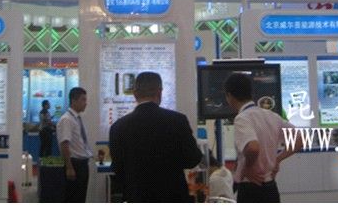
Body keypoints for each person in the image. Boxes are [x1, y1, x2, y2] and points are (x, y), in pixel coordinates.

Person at [109, 72, 202, 202]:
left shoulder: (118, 127)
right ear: (159, 92)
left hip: (137, 197)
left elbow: (117, 169)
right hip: (173, 196)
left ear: (135, 94)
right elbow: (193, 159)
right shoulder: (177, 121)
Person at [224, 72, 302, 203]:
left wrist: (248, 167)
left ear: (229, 96)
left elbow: (253, 148)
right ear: (251, 93)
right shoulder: (271, 115)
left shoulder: (242, 118)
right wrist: (277, 159)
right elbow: (300, 139)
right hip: (271, 188)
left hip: (251, 189)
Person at [56, 87, 92, 202]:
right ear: (73, 101)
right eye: (83, 100)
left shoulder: (76, 118)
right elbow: (64, 144)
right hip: (75, 164)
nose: (85, 103)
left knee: (80, 197)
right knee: (74, 198)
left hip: (82, 164)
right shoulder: (67, 120)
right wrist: (69, 167)